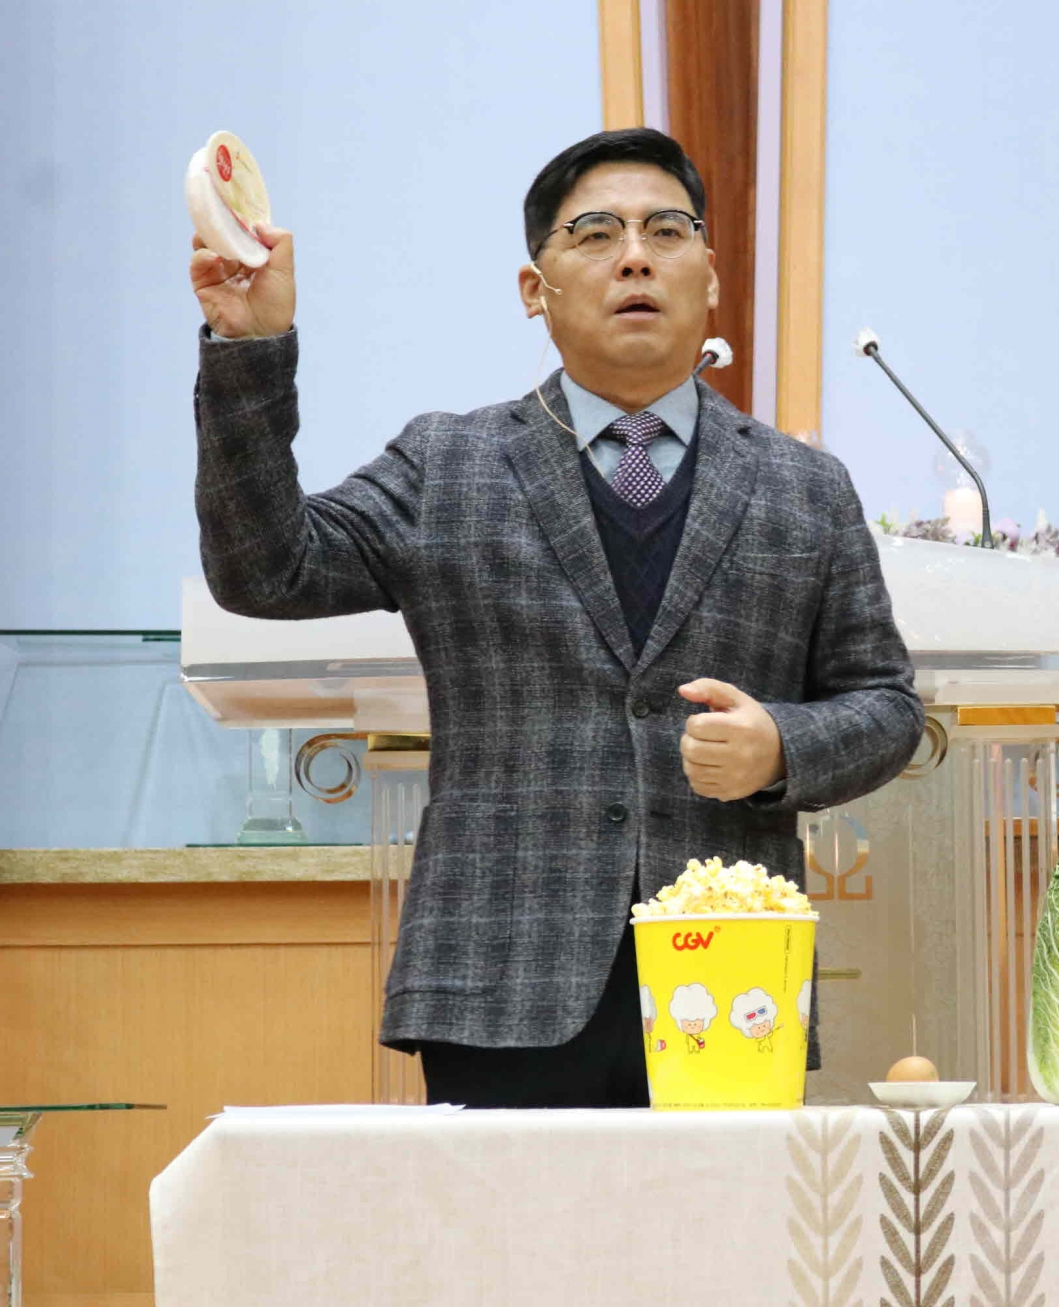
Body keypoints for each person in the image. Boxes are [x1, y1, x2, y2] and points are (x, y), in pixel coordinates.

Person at [188, 127, 924, 1108]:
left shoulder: (804, 488)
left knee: (718, 1218)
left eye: (668, 231)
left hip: (732, 981)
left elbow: (887, 704)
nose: (635, 255)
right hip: (500, 975)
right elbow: (265, 570)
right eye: (596, 233)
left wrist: (780, 747)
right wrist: (249, 350)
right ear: (535, 289)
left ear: (710, 276)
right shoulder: (447, 464)